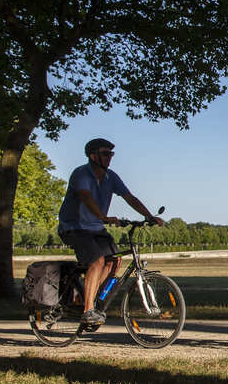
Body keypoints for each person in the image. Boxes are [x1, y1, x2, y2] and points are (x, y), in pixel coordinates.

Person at [56, 138, 165, 327]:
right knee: (97, 260)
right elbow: (86, 197)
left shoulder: (110, 177)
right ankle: (88, 309)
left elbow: (129, 197)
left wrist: (149, 216)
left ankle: (88, 298)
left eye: (111, 154)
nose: (109, 158)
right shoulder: (81, 174)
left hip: (96, 228)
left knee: (115, 261)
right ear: (93, 155)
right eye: (105, 154)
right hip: (74, 227)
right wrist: (103, 217)